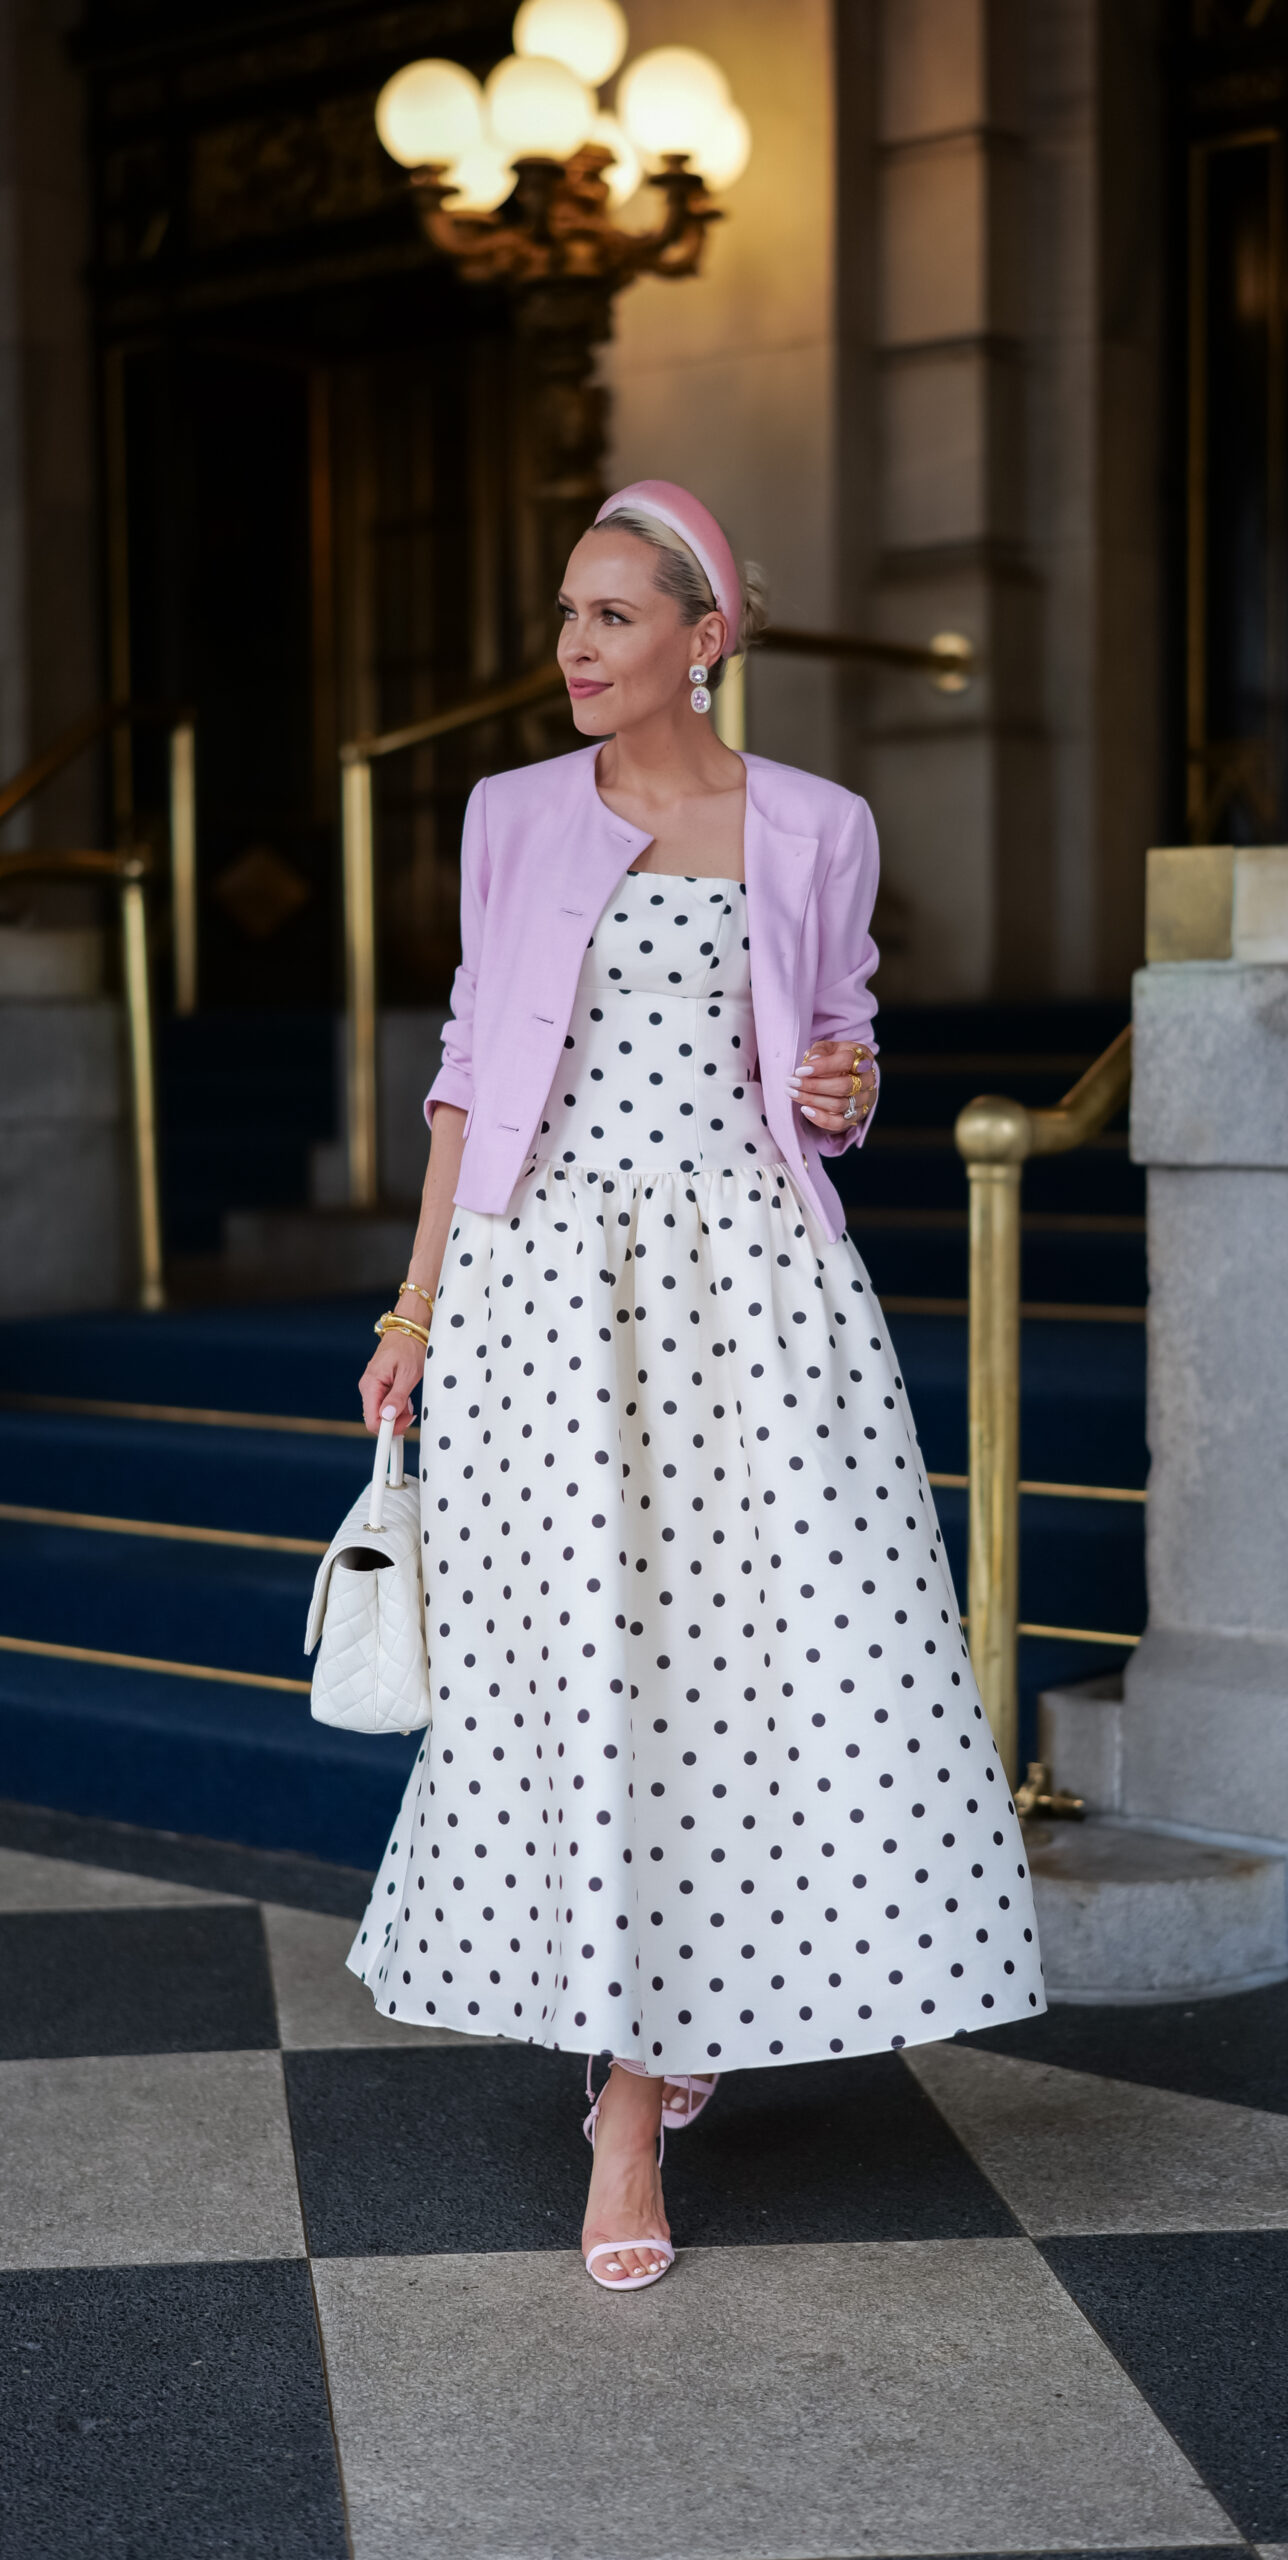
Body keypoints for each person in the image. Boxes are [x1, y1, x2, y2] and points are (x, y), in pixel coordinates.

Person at [352, 477, 1045, 2292]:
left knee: (765, 1650)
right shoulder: (507, 816)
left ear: (703, 641)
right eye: (567, 616)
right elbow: (461, 1070)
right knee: (577, 1665)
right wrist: (416, 1309)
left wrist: (845, 1092)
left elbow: (842, 1037)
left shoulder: (816, 824)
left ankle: (681, 2028)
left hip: (752, 1282)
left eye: (610, 618)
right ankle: (626, 2107)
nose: (572, 650)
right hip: (542, 1289)